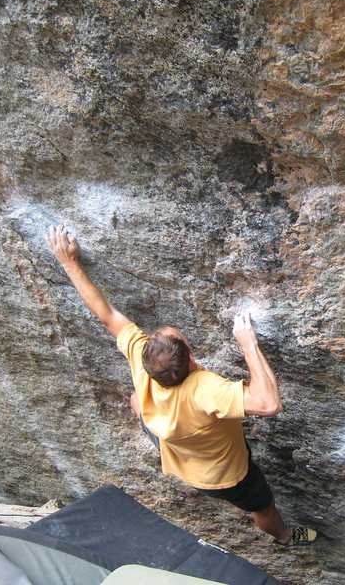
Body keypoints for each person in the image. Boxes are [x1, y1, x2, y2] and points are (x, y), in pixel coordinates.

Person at [45, 224, 318, 547]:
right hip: (224, 475)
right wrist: (248, 345)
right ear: (191, 362)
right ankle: (285, 536)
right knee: (262, 506)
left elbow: (106, 314)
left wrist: (68, 263)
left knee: (138, 401)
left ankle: (147, 414)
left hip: (172, 446)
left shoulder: (142, 360)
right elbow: (269, 403)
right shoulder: (204, 388)